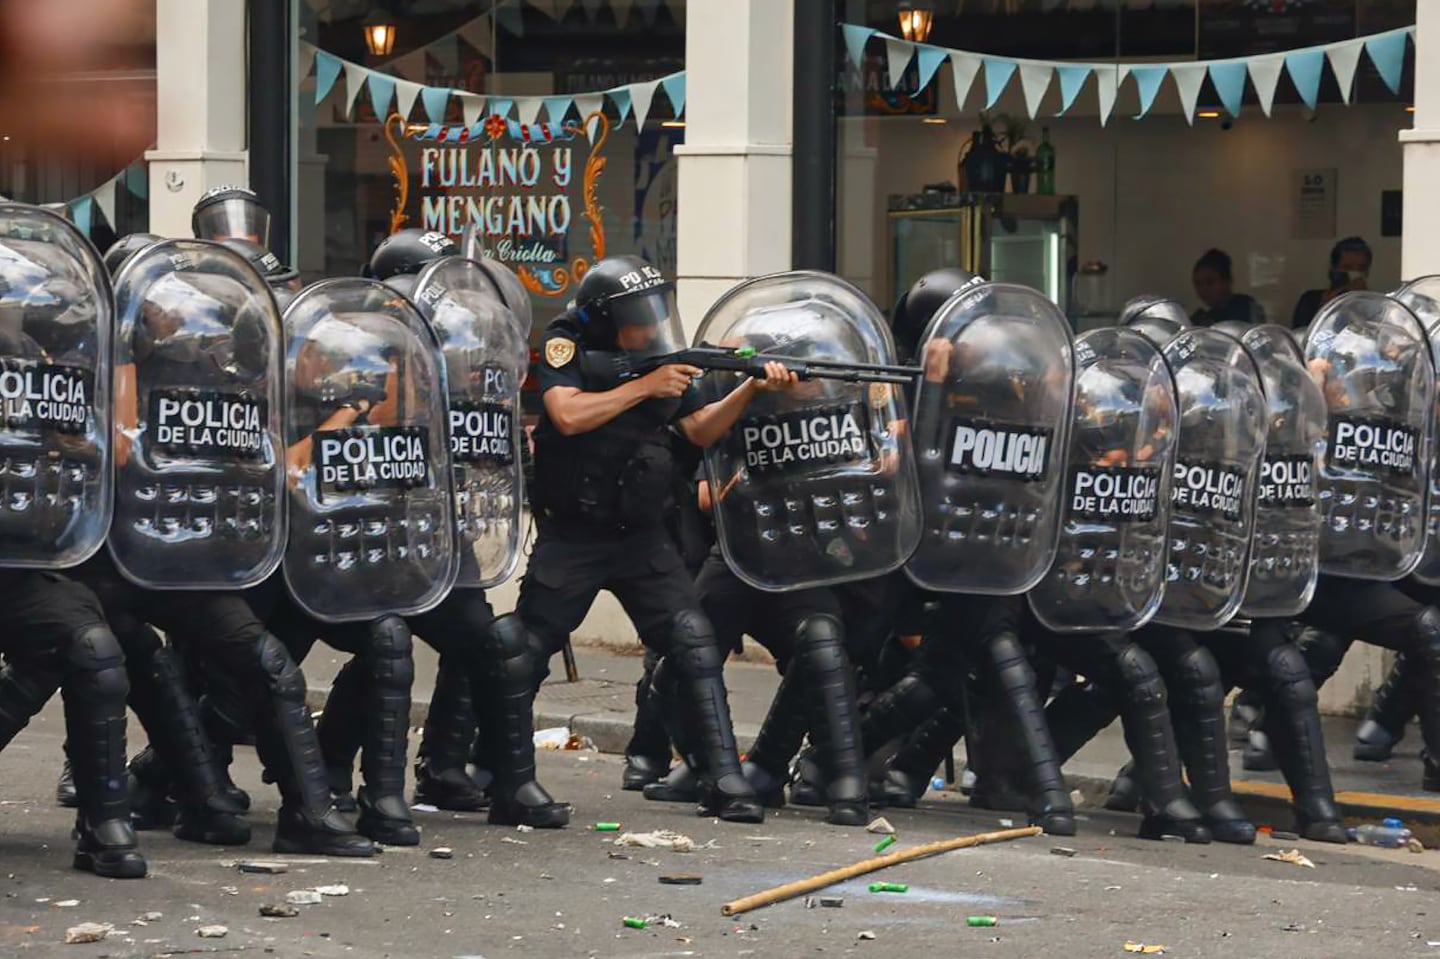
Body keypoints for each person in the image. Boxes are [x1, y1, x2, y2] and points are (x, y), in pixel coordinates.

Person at [518, 254, 796, 824]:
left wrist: (749, 388)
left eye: (653, 314)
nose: (649, 327)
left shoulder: (660, 356)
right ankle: (501, 774)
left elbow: (698, 428)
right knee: (523, 651)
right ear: (603, 319)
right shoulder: (566, 343)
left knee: (693, 641)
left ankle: (723, 777)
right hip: (573, 534)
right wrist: (645, 387)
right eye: (635, 318)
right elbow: (566, 415)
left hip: (641, 536)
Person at [1291, 237, 1372, 329]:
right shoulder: (1310, 300)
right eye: (1347, 267)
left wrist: (1365, 303)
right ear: (1334, 268)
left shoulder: (1373, 305)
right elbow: (1301, 332)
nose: (1355, 272)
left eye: (1361, 268)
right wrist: (1326, 307)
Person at [1190, 249, 1262, 327]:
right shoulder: (1207, 316)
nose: (1204, 289)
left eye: (1209, 282)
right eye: (1198, 284)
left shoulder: (1245, 307)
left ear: (1227, 281)